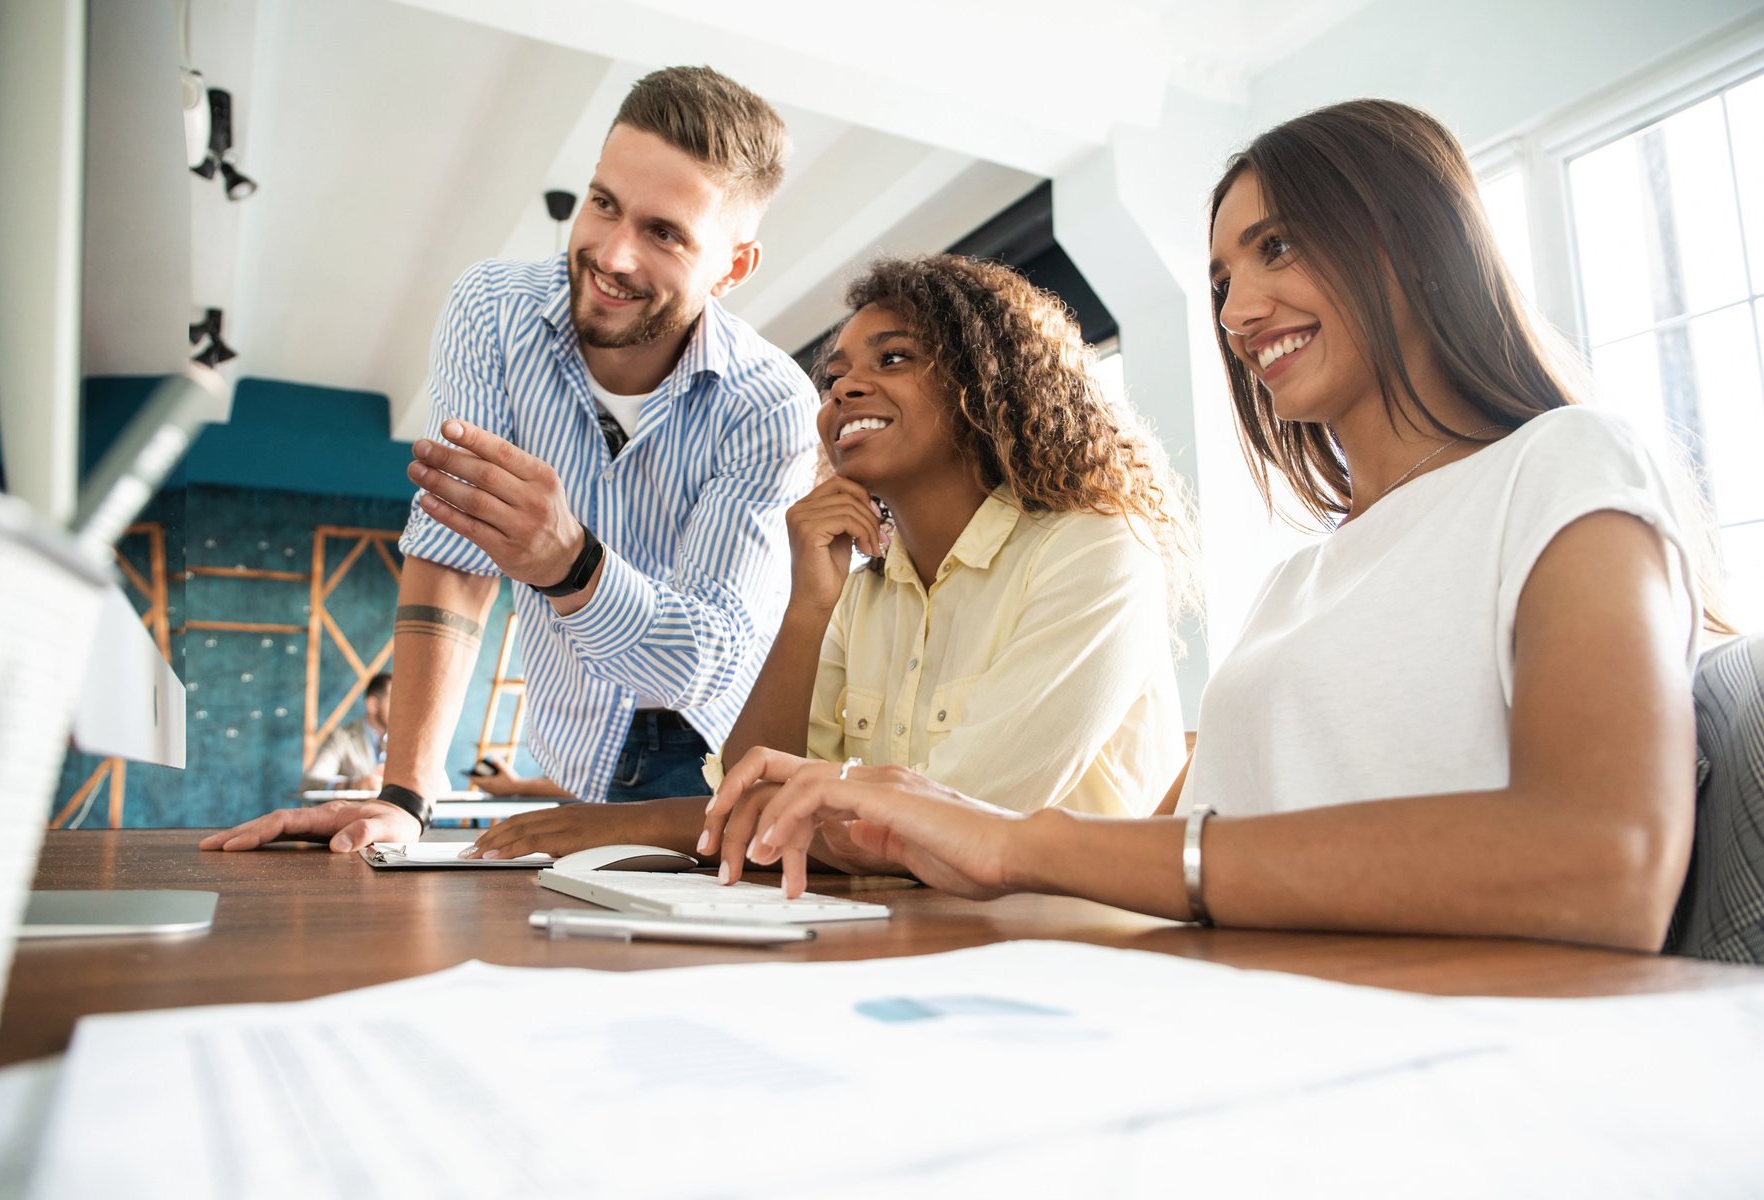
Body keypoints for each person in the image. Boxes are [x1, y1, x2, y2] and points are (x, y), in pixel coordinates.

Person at [703, 98, 1722, 954]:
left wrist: (1017, 842)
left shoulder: (1566, 464)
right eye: (1224, 279)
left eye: (1276, 246)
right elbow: (1149, 863)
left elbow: (1605, 865)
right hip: (1207, 1008)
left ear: (1408, 240)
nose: (1237, 313)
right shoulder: (1299, 585)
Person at [203, 66, 817, 854]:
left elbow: (704, 662)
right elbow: (455, 558)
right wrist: (404, 797)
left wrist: (570, 563)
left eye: (664, 233)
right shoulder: (491, 313)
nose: (613, 255)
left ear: (732, 267)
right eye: (603, 203)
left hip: (715, 766)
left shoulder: (773, 404)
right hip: (573, 750)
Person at [459, 253, 1195, 865]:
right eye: (833, 375)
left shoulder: (1096, 550)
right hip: (891, 945)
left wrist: (632, 822)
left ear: (987, 384)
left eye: (894, 358)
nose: (842, 386)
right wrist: (808, 608)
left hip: (1067, 969)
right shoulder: (861, 588)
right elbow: (747, 798)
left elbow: (956, 828)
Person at [301, 673, 391, 793]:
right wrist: (354, 785)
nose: (402, 709)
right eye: (394, 702)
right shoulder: (342, 737)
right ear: (373, 705)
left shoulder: (405, 741)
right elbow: (312, 782)